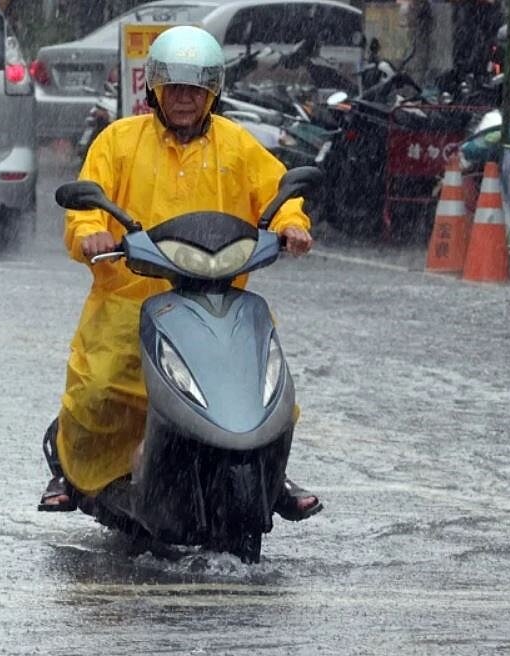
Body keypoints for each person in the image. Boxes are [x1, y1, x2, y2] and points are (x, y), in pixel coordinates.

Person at [37, 25, 322, 522]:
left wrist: (292, 225)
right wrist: (91, 235)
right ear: (155, 90)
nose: (185, 99)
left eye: (196, 89)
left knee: (270, 391)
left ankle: (268, 476)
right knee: (98, 388)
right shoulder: (119, 141)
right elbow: (87, 198)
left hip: (219, 296)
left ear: (213, 92)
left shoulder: (237, 145)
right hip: (131, 294)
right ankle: (73, 469)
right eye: (175, 88)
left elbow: (278, 192)